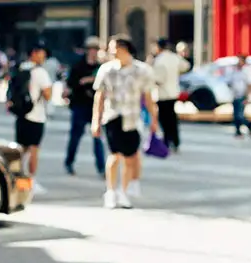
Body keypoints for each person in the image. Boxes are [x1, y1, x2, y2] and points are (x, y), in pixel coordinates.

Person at [91, 35, 158, 209]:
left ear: (124, 49)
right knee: (115, 155)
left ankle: (123, 191)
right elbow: (99, 97)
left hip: (133, 118)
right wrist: (95, 121)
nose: (111, 52)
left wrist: (153, 119)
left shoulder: (142, 70)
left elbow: (148, 97)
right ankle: (111, 191)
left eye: (114, 48)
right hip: (112, 116)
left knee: (129, 158)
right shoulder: (106, 70)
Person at [7, 42, 53, 191]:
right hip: (36, 115)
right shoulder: (40, 72)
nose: (44, 56)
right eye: (41, 53)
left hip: (20, 114)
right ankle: (31, 181)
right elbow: (48, 95)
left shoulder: (20, 67)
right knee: (34, 149)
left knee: (21, 149)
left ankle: (17, 179)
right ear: (34, 53)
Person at [63, 36, 105, 177]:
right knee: (75, 137)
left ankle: (101, 168)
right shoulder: (78, 66)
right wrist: (83, 81)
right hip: (80, 105)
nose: (93, 52)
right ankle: (69, 163)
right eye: (91, 49)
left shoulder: (100, 68)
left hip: (95, 106)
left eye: (96, 49)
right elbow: (71, 84)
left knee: (97, 138)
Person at [152, 38, 189, 152]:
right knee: (172, 118)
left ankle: (167, 140)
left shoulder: (159, 60)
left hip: (163, 94)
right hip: (173, 92)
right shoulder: (174, 57)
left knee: (164, 119)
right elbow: (186, 65)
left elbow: (158, 78)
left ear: (158, 47)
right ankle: (176, 141)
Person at [228, 54, 251, 138]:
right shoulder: (234, 71)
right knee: (235, 115)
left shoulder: (246, 71)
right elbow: (230, 81)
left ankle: (249, 126)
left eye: (240, 60)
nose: (238, 62)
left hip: (242, 96)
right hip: (235, 95)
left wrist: (247, 97)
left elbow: (250, 85)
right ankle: (238, 132)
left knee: (240, 115)